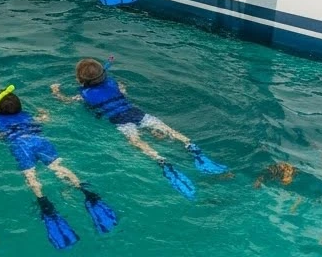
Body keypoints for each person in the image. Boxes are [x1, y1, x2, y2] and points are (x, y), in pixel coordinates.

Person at [0, 86, 117, 249]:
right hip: (40, 141)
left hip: (21, 147)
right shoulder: (28, 115)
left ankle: (44, 204)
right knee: (59, 168)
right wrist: (44, 112)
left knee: (32, 177)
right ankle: (86, 192)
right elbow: (45, 118)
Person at [50, 58, 227, 200]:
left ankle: (162, 161)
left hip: (121, 121)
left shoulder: (84, 95)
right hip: (137, 113)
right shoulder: (113, 83)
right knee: (167, 129)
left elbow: (68, 101)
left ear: (80, 80)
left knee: (137, 142)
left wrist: (56, 92)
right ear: (103, 76)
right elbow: (123, 91)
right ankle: (191, 146)